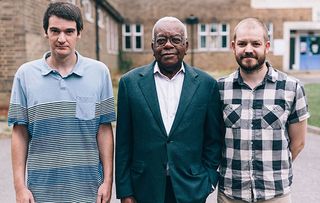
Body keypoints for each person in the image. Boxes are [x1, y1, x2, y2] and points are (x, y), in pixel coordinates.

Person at [8, 2, 115, 203]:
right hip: (40, 193)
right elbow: (19, 133)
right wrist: (20, 188)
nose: (62, 39)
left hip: (88, 191)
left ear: (79, 33)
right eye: (55, 31)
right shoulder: (25, 75)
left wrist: (107, 182)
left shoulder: (100, 73)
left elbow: (104, 129)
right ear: (45, 32)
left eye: (69, 31)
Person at [115, 16, 224, 203]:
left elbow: (213, 139)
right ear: (152, 47)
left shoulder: (207, 85)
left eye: (175, 40)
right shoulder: (129, 83)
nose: (168, 45)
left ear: (186, 46)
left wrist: (208, 180)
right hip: (144, 188)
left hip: (190, 188)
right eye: (161, 40)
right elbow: (123, 142)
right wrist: (125, 191)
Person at [217, 17, 309, 203]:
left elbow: (298, 143)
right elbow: (213, 140)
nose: (248, 49)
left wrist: (273, 172)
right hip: (231, 194)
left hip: (275, 194)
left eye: (256, 43)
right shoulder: (219, 89)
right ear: (233, 47)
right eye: (242, 43)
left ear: (267, 46)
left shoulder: (291, 88)